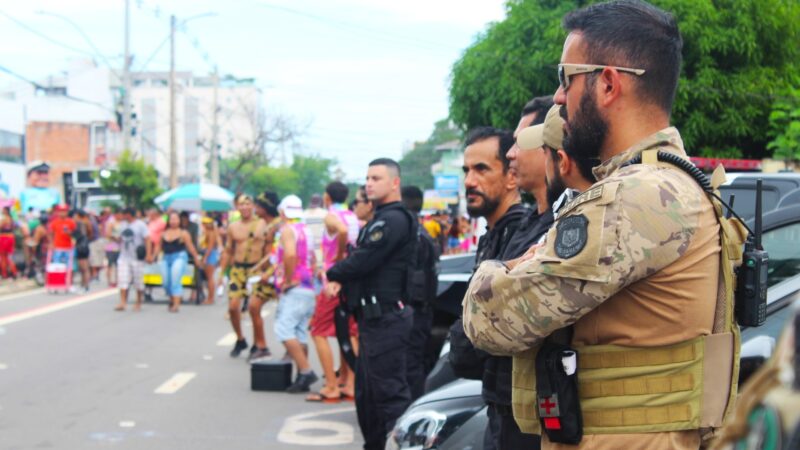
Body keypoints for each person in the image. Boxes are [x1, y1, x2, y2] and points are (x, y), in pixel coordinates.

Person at [463, 1, 739, 448]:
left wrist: (495, 273)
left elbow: (491, 320)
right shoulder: (677, 182)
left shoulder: (636, 197)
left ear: (607, 83)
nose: (558, 98)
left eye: (565, 79)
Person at [446, 127, 536, 450]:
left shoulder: (521, 232)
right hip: (498, 403)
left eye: (481, 169)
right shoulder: (494, 234)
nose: (470, 181)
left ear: (511, 176)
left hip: (519, 413)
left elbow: (487, 322)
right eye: (466, 171)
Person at [326, 158, 417, 450]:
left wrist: (333, 273)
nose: (369, 183)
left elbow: (365, 260)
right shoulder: (381, 218)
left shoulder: (393, 219)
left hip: (386, 319)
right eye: (367, 178)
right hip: (373, 320)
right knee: (367, 397)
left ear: (394, 183)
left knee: (390, 398)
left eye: (376, 178)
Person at [307, 182, 360, 402]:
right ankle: (350, 383)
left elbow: (343, 232)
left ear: (327, 197)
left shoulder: (332, 216)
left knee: (318, 331)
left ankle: (330, 385)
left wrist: (338, 258)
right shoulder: (353, 215)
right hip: (351, 279)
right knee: (348, 331)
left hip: (334, 279)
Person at [218, 195, 274, 358]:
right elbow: (228, 250)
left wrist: (267, 271)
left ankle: (259, 344)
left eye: (248, 204)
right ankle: (240, 338)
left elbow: (269, 249)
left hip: (256, 270)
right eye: (241, 204)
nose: (244, 207)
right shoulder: (233, 227)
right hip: (237, 270)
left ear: (253, 206)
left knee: (253, 307)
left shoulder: (262, 224)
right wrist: (222, 273)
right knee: (233, 307)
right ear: (237, 207)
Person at [274, 194, 319, 392]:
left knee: (283, 329)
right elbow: (313, 258)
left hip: (297, 286)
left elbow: (290, 254)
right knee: (299, 331)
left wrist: (289, 279)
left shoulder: (287, 230)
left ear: (283, 212)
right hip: (309, 286)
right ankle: (302, 377)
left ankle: (306, 370)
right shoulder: (305, 229)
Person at [401, 185, 439, 401]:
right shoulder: (421, 231)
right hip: (424, 308)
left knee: (411, 365)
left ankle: (412, 409)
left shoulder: (412, 234)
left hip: (415, 309)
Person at [246, 191, 281, 361]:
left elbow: (278, 253)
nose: (254, 208)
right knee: (253, 306)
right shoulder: (263, 223)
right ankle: (260, 345)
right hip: (265, 273)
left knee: (286, 316)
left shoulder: (278, 225)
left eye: (258, 206)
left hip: (276, 274)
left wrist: (269, 271)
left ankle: (292, 351)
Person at [150, 212, 202, 312]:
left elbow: (190, 246)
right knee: (166, 281)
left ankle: (176, 305)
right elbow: (158, 247)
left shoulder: (183, 233)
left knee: (175, 279)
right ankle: (172, 298)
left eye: (176, 219)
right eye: (171, 219)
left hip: (179, 257)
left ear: (179, 221)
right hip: (166, 257)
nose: (173, 221)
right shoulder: (163, 233)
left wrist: (196, 258)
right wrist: (153, 256)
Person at [114, 207, 151, 311]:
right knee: (123, 280)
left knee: (138, 281)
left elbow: (147, 239)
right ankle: (122, 302)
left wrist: (148, 254)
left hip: (137, 257)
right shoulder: (122, 225)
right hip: (124, 257)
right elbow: (119, 238)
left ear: (129, 214)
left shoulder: (140, 225)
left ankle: (138, 302)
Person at [199, 216, 222, 305]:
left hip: (210, 255)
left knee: (210, 278)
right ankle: (208, 297)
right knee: (207, 278)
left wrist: (205, 258)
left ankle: (211, 298)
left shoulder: (212, 233)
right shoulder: (205, 232)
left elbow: (210, 247)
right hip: (207, 254)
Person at [73, 210, 94, 293]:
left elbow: (78, 235)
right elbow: (90, 234)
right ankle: (84, 284)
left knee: (83, 268)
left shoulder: (80, 223)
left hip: (81, 246)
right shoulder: (88, 222)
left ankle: (85, 285)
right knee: (85, 267)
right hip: (85, 245)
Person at [104, 208, 121, 287]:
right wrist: (115, 238)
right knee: (110, 265)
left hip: (120, 247)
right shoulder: (111, 222)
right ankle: (110, 281)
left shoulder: (122, 222)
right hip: (111, 247)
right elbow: (107, 234)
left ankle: (118, 280)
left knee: (119, 265)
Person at [0, 207, 18, 279]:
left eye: (3, 210)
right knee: (9, 256)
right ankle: (14, 272)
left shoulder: (4, 219)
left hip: (4, 238)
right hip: (11, 237)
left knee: (3, 257)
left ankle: (5, 274)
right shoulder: (11, 219)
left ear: (6, 211)